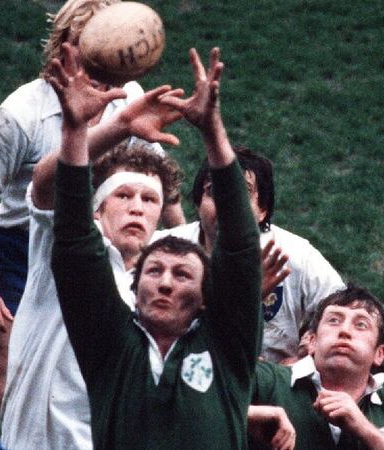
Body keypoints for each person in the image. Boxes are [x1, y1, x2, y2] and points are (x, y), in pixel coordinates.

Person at [0, 0, 184, 447]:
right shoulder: (23, 112)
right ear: (68, 47)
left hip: (103, 252)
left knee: (87, 390)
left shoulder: (128, 99)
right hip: (24, 250)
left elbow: (158, 180)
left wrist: (185, 247)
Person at [51, 45, 263, 448]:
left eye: (182, 274)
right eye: (154, 271)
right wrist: (75, 131)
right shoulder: (110, 344)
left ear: (205, 298)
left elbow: (240, 244)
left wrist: (212, 130)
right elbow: (75, 247)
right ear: (134, 287)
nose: (165, 282)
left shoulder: (226, 346)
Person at [0, 94, 183, 448]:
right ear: (97, 209)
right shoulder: (64, 249)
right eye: (123, 195)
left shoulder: (163, 286)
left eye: (149, 200)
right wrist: (120, 128)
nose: (136, 208)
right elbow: (45, 181)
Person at [152, 147, 345, 363]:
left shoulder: (293, 256)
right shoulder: (162, 251)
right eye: (213, 191)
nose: (227, 202)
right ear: (198, 203)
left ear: (262, 209)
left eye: (242, 192)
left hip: (270, 383)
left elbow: (344, 309)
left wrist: (305, 357)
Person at [250, 285, 384, 450]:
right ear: (312, 341)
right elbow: (219, 403)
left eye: (361, 325)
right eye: (334, 320)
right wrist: (253, 414)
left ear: (379, 354)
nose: (345, 331)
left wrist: (363, 428)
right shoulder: (269, 380)